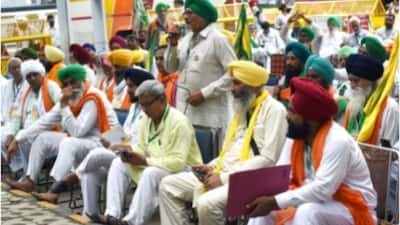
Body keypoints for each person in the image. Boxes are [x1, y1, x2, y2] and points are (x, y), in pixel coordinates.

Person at [159, 61, 288, 225]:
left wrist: (224, 178)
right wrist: (212, 167)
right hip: (222, 172)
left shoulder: (275, 110)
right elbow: (229, 150)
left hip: (251, 179)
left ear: (254, 86)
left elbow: (268, 159)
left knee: (207, 203)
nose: (232, 89)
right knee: (168, 185)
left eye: (237, 83)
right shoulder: (241, 107)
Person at [247, 77, 377, 225]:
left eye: (292, 112)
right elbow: (282, 176)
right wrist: (258, 194)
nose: (286, 116)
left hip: (352, 208)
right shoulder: (296, 137)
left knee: (308, 211)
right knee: (262, 211)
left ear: (310, 118)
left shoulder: (337, 140)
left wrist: (275, 201)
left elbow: (322, 189)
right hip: (314, 198)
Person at [88, 80, 203, 225]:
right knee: (118, 163)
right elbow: (142, 148)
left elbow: (178, 162)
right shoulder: (147, 119)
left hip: (184, 172)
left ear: (162, 100)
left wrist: (144, 161)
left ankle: (131, 222)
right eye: (141, 105)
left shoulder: (179, 122)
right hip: (156, 165)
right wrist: (129, 153)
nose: (144, 109)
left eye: (148, 104)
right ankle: (112, 215)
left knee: (151, 172)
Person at [4, 64, 119, 195]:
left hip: (103, 142)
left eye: (73, 82)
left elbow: (77, 131)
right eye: (66, 84)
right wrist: (17, 139)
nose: (70, 87)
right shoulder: (68, 98)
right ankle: (30, 181)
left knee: (68, 142)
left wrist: (64, 107)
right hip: (81, 141)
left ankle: (54, 191)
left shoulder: (93, 97)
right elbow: (45, 121)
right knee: (43, 137)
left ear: (81, 81)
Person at [62, 68, 154, 217]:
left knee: (97, 153)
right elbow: (126, 136)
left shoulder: (151, 111)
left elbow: (145, 144)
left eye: (131, 86)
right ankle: (90, 214)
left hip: (138, 158)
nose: (128, 90)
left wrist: (120, 145)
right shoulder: (134, 107)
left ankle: (69, 179)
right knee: (90, 173)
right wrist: (112, 139)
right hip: (123, 153)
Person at [164, 0, 237, 141]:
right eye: (185, 12)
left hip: (210, 119)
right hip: (185, 113)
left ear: (203, 15)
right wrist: (172, 46)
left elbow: (234, 74)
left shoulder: (218, 40)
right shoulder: (186, 40)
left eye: (190, 13)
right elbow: (170, 68)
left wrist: (205, 93)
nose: (185, 17)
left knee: (208, 159)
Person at [2, 60, 61, 173]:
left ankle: (29, 174)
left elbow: (60, 109)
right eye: (28, 76)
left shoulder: (51, 87)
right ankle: (23, 170)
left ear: (41, 74)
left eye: (35, 74)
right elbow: (17, 117)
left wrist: (18, 137)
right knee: (10, 137)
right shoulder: (26, 92)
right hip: (29, 132)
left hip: (51, 131)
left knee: (24, 139)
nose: (32, 78)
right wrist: (11, 134)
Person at [343, 54, 399, 146]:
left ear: (372, 82)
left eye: (356, 81)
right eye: (350, 81)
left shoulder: (390, 108)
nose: (352, 86)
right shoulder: (352, 104)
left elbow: (388, 152)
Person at [275, 42, 311, 106]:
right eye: (287, 59)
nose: (288, 62)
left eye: (293, 59)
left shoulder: (306, 81)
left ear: (302, 62)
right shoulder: (288, 76)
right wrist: (278, 94)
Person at [0, 57, 28, 125]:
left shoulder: (28, 84)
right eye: (14, 68)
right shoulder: (6, 85)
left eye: (19, 67)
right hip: (6, 122)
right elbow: (1, 104)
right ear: (9, 71)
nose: (17, 70)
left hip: (22, 122)